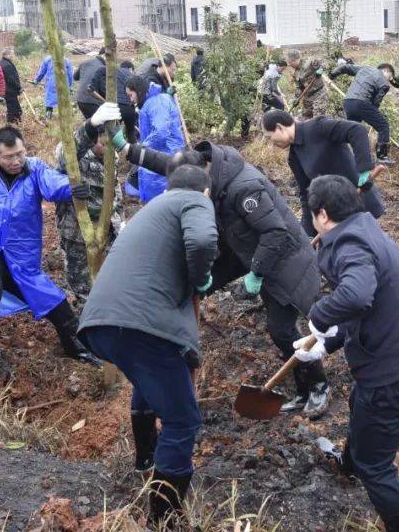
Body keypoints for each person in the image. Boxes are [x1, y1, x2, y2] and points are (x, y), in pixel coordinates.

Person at [122, 139, 331, 417]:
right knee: (208, 290)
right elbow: (169, 165)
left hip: (284, 263)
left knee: (280, 329)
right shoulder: (206, 170)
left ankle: (318, 387)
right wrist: (127, 149)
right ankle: (304, 389)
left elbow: (275, 233)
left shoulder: (244, 188)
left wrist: (256, 271)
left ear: (203, 174)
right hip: (248, 252)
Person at [296, 175, 399, 532]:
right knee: (360, 403)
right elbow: (366, 307)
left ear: (322, 214)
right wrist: (326, 343)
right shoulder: (362, 226)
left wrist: (320, 316)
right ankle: (349, 463)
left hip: (395, 370)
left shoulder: (351, 242)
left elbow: (356, 296)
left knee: (378, 465)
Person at [79, 165, 218, 525]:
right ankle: (165, 518)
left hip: (101, 324)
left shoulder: (151, 210)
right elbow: (202, 242)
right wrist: (200, 278)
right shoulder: (195, 200)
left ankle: (145, 463)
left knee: (148, 380)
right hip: (141, 326)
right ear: (204, 190)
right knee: (183, 421)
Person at [0, 126, 98, 391]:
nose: (16, 161)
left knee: (53, 300)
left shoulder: (34, 169)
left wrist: (71, 187)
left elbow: (52, 184)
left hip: (20, 256)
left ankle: (79, 349)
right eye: (9, 157)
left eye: (20, 154)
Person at [261, 109, 383, 237]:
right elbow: (306, 194)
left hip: (360, 200)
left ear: (279, 127)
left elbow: (357, 130)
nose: (272, 143)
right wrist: (308, 233)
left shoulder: (317, 127)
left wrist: (363, 170)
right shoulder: (294, 157)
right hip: (338, 214)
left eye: (270, 137)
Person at [54, 103, 125, 306]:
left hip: (107, 232)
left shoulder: (112, 155)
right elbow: (64, 159)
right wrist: (91, 125)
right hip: (78, 234)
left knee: (110, 284)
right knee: (84, 289)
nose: (105, 144)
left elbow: (115, 191)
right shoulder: (73, 150)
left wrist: (120, 223)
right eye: (101, 139)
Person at [124, 75, 185, 203]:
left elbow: (161, 132)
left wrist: (142, 147)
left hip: (165, 152)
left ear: (138, 90)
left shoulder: (155, 103)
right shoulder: (154, 100)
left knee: (159, 193)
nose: (131, 99)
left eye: (131, 95)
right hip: (163, 151)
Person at [330, 60, 398, 164]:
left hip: (348, 102)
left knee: (354, 130)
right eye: (390, 76)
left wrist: (332, 74)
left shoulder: (364, 68)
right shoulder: (384, 83)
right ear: (386, 71)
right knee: (383, 126)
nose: (390, 79)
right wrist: (373, 112)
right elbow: (375, 103)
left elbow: (345, 67)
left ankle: (349, 156)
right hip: (361, 103)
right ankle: (382, 157)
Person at [286, 49, 328, 118]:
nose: (289, 64)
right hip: (308, 97)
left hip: (319, 94)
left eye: (290, 62)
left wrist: (321, 69)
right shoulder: (296, 73)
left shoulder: (309, 62)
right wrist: (296, 99)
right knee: (306, 118)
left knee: (318, 117)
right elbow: (299, 87)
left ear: (295, 60)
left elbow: (324, 62)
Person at [31, 54, 74, 121]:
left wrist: (36, 80)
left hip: (52, 84)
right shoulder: (66, 60)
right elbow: (70, 74)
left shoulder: (48, 59)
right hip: (64, 84)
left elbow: (42, 72)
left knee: (49, 101)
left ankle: (48, 118)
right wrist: (70, 86)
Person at [74, 49, 107, 120]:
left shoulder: (85, 62)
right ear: (105, 55)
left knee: (90, 123)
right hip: (93, 102)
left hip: (80, 100)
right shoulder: (103, 68)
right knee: (100, 126)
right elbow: (102, 89)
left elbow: (75, 77)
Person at [115, 59, 138, 143]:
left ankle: (113, 154)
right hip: (129, 107)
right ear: (130, 68)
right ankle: (133, 153)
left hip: (116, 107)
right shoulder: (132, 75)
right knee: (130, 132)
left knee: (114, 132)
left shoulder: (113, 73)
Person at [0, 48, 23, 125]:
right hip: (10, 90)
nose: (13, 56)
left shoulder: (1, 63)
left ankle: (15, 123)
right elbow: (11, 79)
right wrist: (19, 87)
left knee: (13, 108)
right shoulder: (7, 65)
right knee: (14, 109)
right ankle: (12, 125)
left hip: (5, 90)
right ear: (7, 54)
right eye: (12, 54)